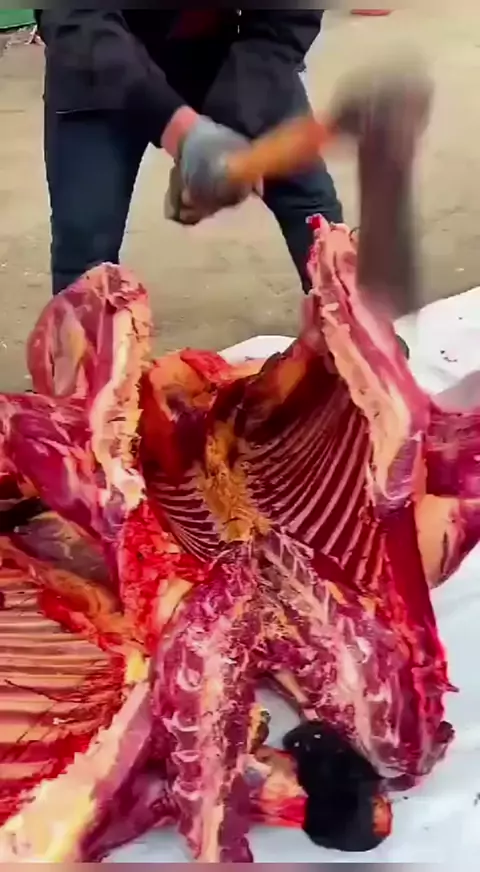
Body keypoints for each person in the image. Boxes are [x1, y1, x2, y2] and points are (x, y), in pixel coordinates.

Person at [35, 9, 343, 297]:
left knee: (314, 215)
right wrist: (182, 132)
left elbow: (289, 15)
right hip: (98, 50)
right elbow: (72, 15)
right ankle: (87, 334)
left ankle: (349, 325)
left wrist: (236, 121)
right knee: (86, 248)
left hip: (217, 45)